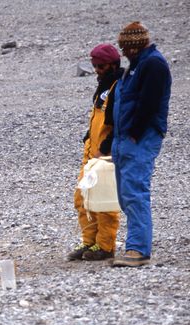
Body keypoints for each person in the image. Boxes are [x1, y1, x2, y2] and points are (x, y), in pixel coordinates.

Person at [111, 22, 172, 267]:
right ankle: (136, 244)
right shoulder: (136, 66)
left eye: (125, 48)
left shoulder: (153, 64)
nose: (123, 53)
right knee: (126, 195)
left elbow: (149, 102)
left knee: (135, 191)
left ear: (134, 47)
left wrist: (135, 132)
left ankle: (138, 249)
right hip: (125, 138)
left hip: (139, 137)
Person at [68, 44, 124, 261]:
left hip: (105, 152)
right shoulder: (103, 86)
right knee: (83, 197)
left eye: (100, 66)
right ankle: (89, 242)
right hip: (92, 149)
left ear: (112, 64)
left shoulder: (119, 86)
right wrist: (88, 139)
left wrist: (107, 147)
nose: (97, 70)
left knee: (104, 200)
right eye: (94, 66)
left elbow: (117, 122)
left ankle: (105, 245)